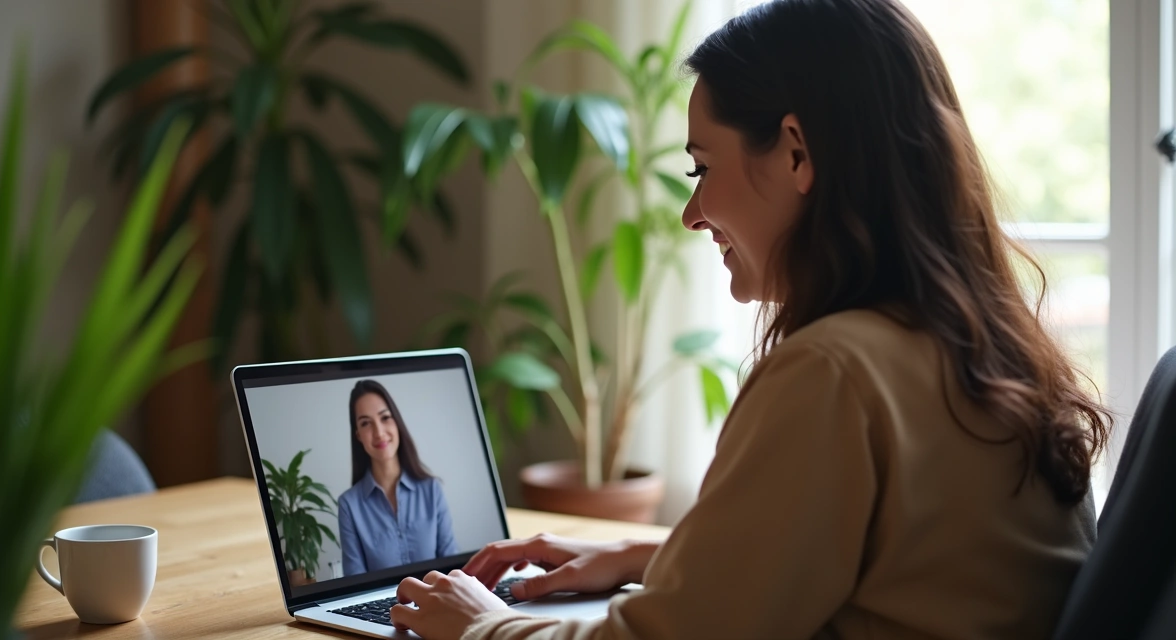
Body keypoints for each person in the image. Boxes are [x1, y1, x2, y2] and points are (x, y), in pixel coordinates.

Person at [385, 0, 1110, 637]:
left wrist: (484, 626)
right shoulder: (980, 345)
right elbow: (905, 573)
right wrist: (663, 557)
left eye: (701, 166)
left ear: (797, 152)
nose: (691, 213)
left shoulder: (836, 371)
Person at [337, 379, 457, 576]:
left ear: (397, 422)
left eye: (385, 418)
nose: (379, 432)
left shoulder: (432, 490)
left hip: (438, 600)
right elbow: (355, 584)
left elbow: (453, 568)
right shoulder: (349, 505)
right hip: (383, 607)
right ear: (358, 435)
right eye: (366, 423)